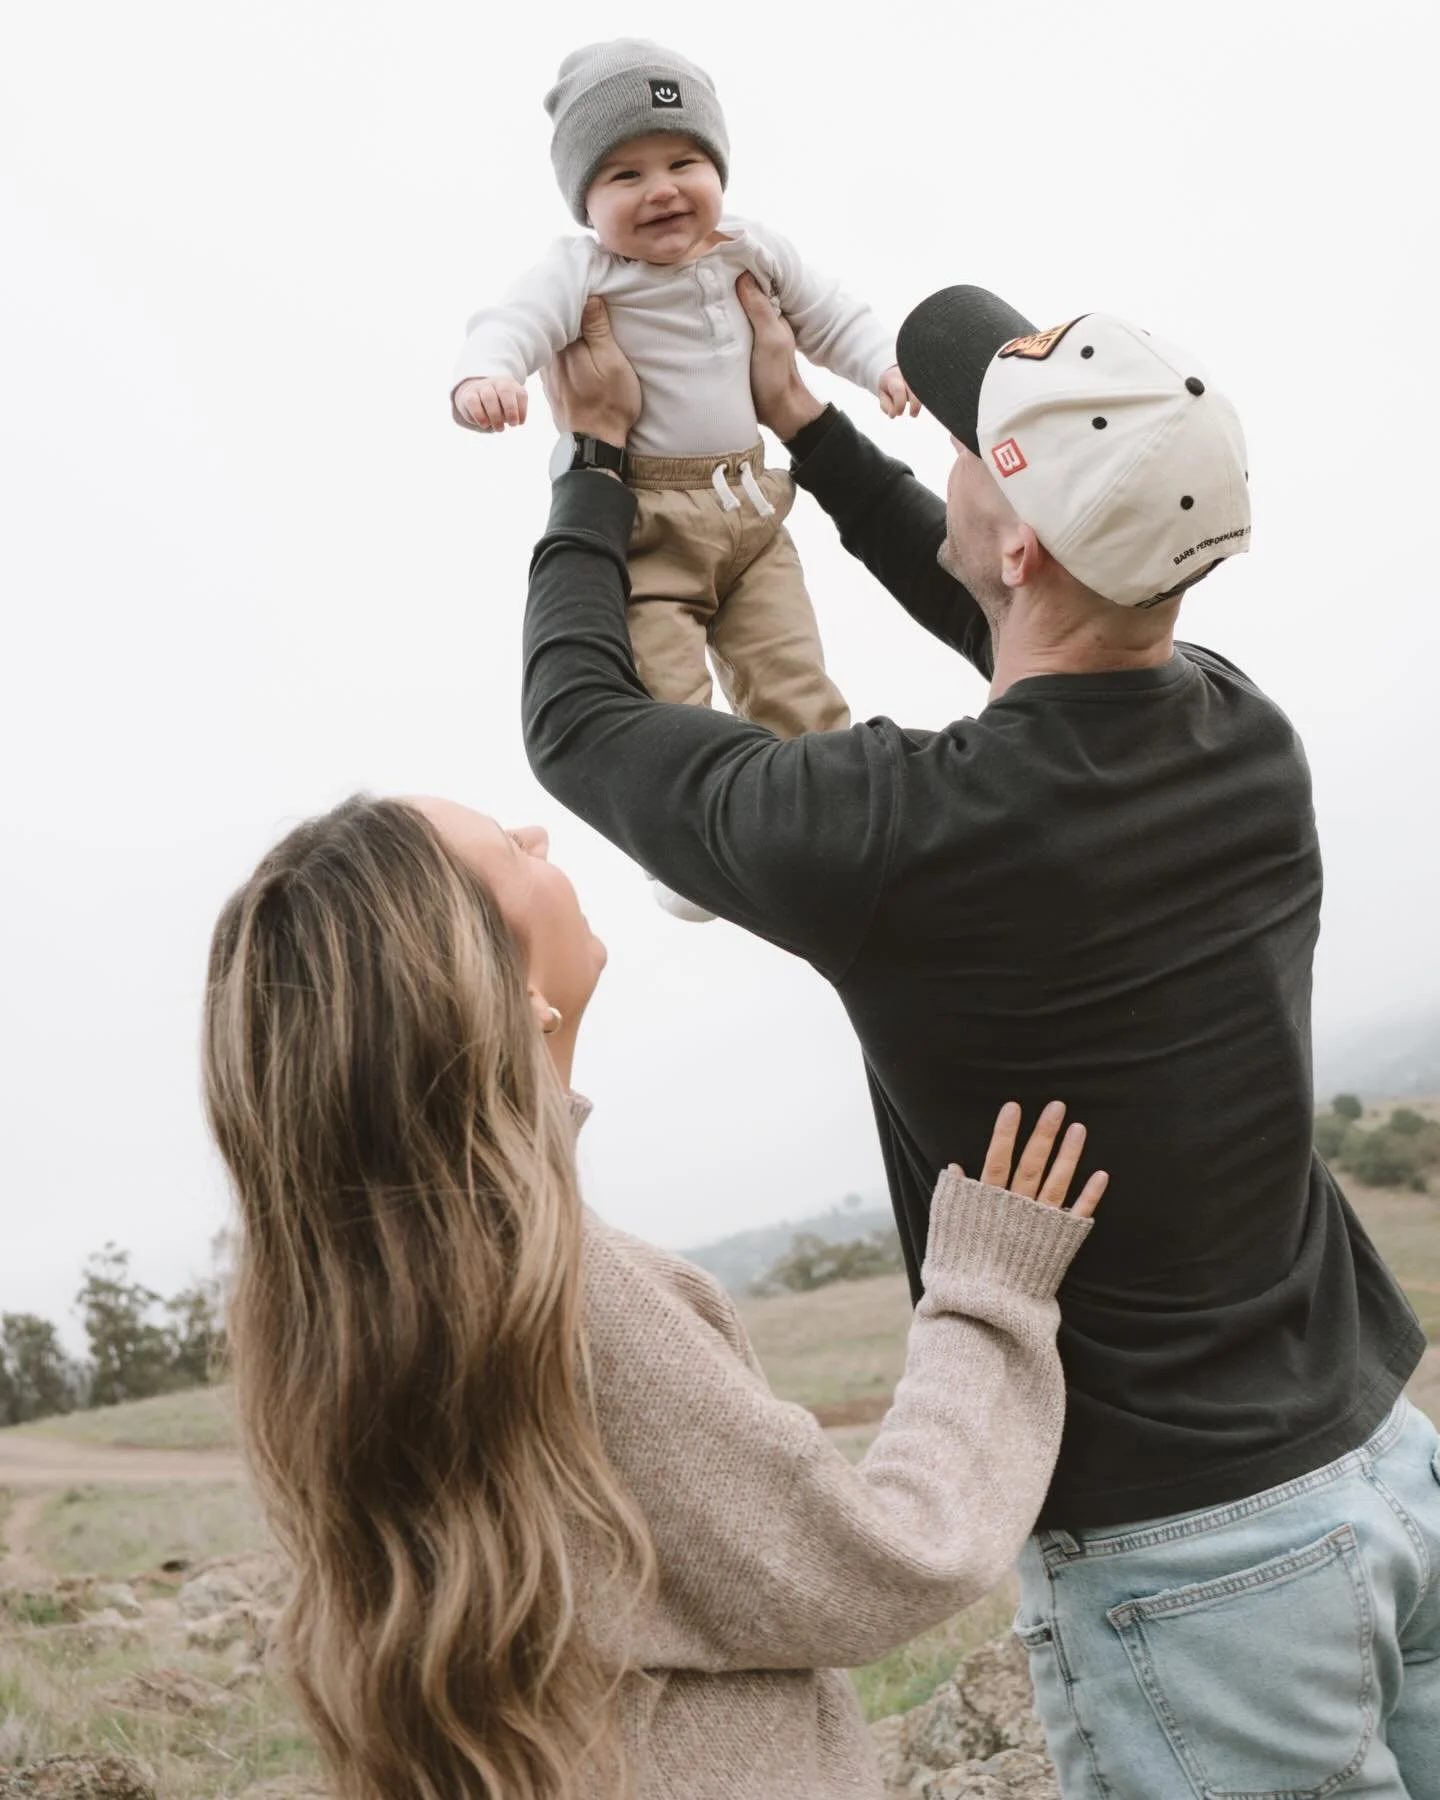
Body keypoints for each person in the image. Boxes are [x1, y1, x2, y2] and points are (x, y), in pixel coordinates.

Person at [517, 287, 1440, 1794]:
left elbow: (578, 720)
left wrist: (595, 459)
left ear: (1018, 539)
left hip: (1199, 1570)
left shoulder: (893, 838)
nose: (941, 444)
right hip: (1386, 1462)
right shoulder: (1243, 735)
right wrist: (806, 428)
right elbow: (1033, 636)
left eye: (967, 443)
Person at [201, 791, 1104, 1800]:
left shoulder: (363, 1310)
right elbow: (883, 1563)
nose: (540, 835)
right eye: (507, 846)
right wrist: (987, 1297)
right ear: (497, 981)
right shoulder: (568, 1295)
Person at [451, 39, 916, 919]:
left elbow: (831, 316)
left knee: (792, 669)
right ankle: (687, 847)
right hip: (650, 521)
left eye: (684, 160)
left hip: (751, 510)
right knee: (667, 688)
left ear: (720, 169)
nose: (662, 188)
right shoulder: (581, 270)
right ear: (586, 204)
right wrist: (490, 376)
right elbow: (507, 322)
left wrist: (889, 364)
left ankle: (836, 807)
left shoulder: (752, 250)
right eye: (623, 176)